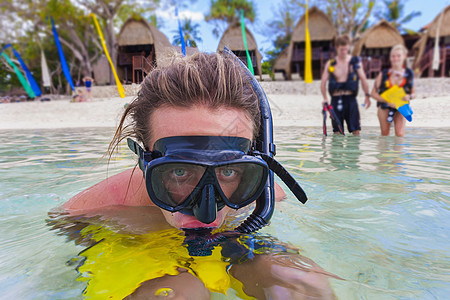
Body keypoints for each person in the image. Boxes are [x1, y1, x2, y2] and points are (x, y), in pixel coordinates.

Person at [62, 50, 337, 299]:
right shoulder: (95, 206)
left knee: (301, 286)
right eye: (179, 171)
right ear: (143, 159)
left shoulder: (265, 195)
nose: (207, 213)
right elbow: (66, 226)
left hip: (236, 242)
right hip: (139, 247)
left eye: (229, 170)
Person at [320, 35, 371, 136]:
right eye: (341, 49)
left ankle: (354, 151)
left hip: (351, 100)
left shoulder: (355, 62)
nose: (344, 52)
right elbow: (323, 82)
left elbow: (364, 79)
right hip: (335, 99)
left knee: (356, 130)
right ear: (337, 48)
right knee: (337, 132)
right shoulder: (331, 63)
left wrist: (367, 96)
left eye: (346, 49)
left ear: (349, 47)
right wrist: (325, 98)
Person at [370, 44, 416, 137]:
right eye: (393, 56)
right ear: (390, 58)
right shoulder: (383, 74)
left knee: (400, 135)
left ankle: (399, 151)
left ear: (404, 56)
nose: (396, 58)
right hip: (384, 107)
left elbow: (413, 93)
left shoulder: (409, 73)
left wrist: (409, 96)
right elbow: (373, 93)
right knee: (385, 135)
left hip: (402, 107)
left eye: (398, 56)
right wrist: (386, 101)